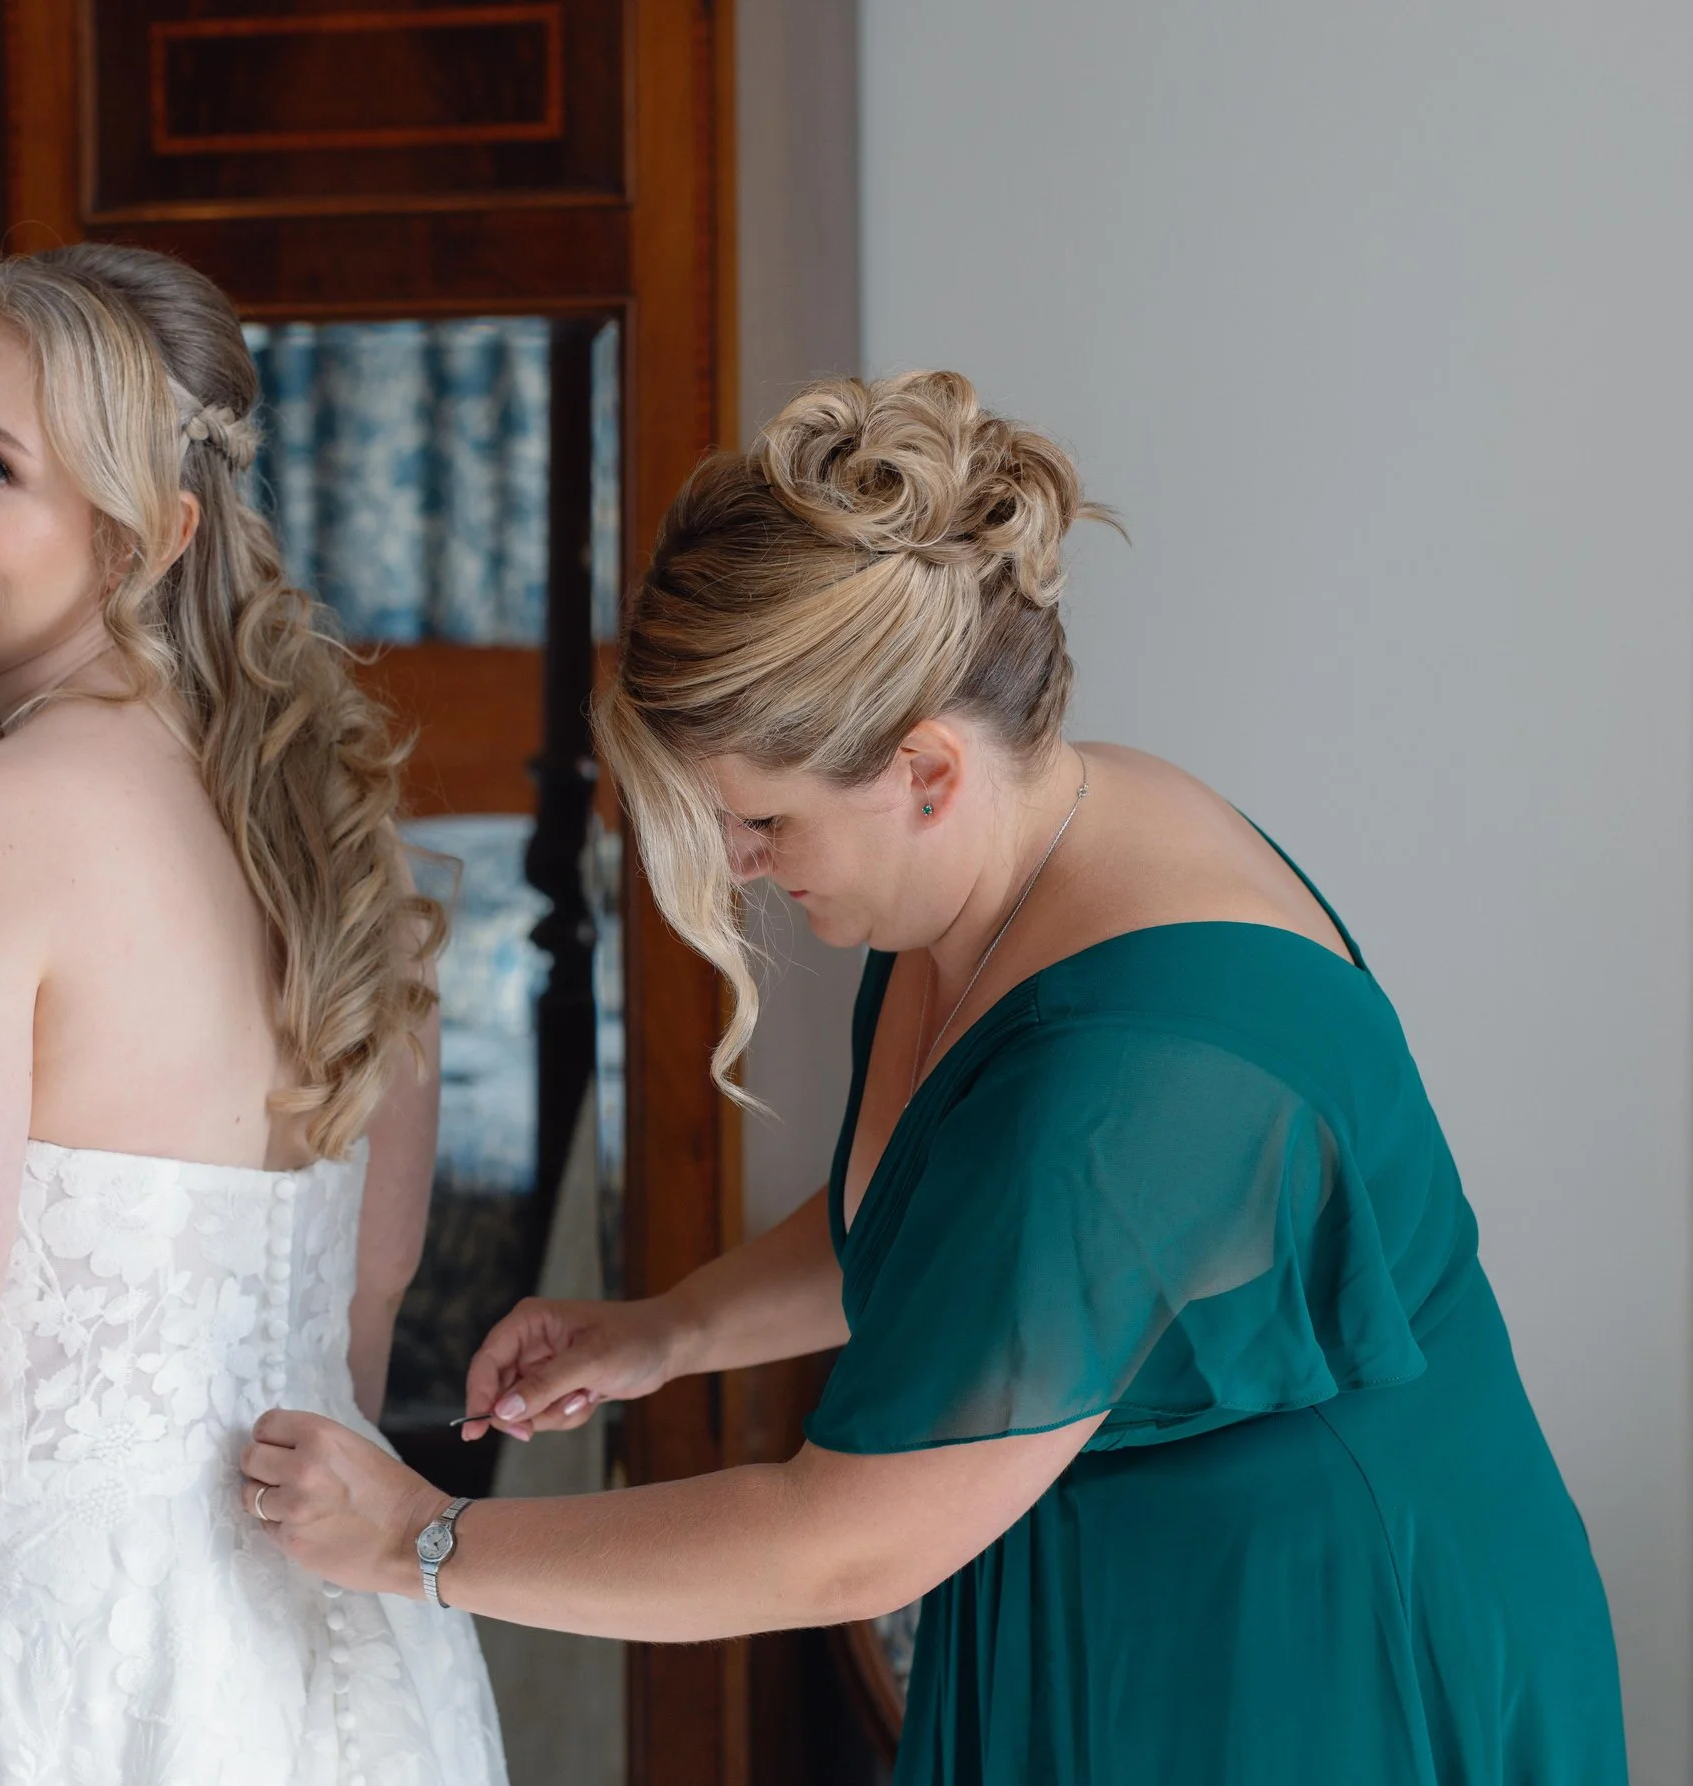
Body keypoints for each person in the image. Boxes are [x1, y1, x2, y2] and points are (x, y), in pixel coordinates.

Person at [245, 372, 1629, 1783]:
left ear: (926, 767)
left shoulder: (1137, 1075)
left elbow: (841, 1544)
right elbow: (948, 1230)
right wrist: (666, 1331)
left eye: (763, 817)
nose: (738, 866)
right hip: (1111, 1579)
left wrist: (422, 1540)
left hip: (1315, 1654)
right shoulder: (1001, 858)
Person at [0, 244, 509, 1786]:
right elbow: (365, 1302)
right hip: (344, 1675)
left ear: (151, 532)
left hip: (48, 1675)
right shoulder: (349, 841)